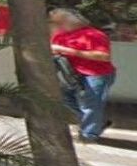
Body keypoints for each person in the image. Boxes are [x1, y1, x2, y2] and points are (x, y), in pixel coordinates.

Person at [50, 8, 117, 143]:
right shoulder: (60, 36)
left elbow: (103, 56)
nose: (57, 25)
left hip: (95, 75)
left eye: (59, 22)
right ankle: (96, 122)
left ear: (72, 22)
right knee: (66, 99)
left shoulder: (94, 35)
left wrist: (67, 50)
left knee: (90, 105)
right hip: (72, 75)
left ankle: (88, 135)